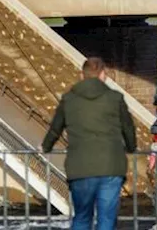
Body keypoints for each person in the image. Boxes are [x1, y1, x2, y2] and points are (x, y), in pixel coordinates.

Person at [42, 57, 137, 230]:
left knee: (82, 217)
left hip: (80, 168)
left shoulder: (69, 99)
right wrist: (131, 147)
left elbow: (55, 128)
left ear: (81, 75)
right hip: (111, 166)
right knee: (106, 218)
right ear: (103, 75)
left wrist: (46, 147)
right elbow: (128, 128)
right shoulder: (115, 98)